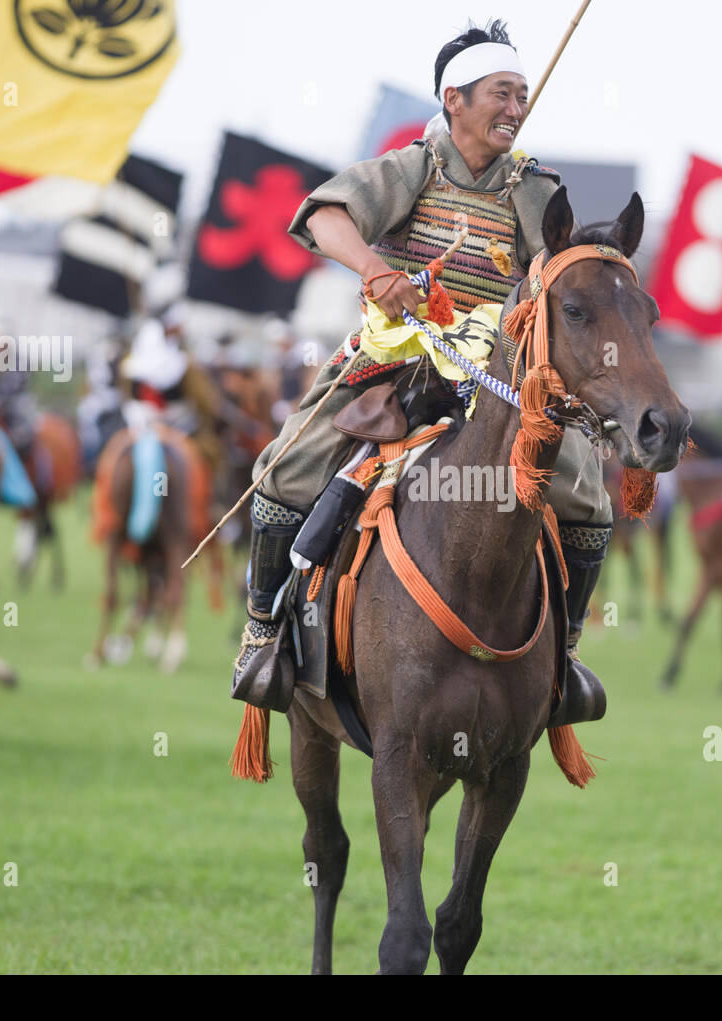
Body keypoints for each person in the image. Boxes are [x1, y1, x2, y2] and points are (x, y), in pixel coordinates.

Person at [231, 19, 614, 723]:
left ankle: (566, 657)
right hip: (400, 365)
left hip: (494, 380)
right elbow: (324, 215)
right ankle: (263, 634)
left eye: (522, 95)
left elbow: (564, 277)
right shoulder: (414, 167)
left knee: (588, 493)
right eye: (501, 93)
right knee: (287, 465)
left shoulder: (534, 189)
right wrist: (377, 270)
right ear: (454, 99)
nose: (516, 108)